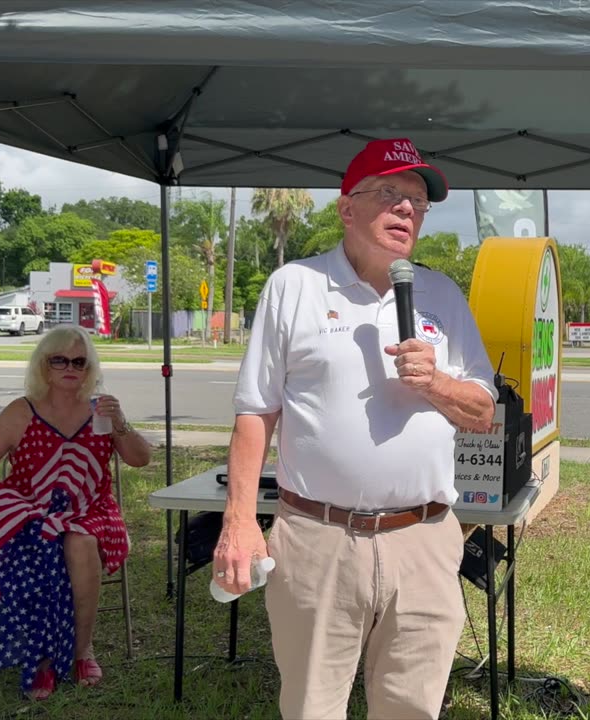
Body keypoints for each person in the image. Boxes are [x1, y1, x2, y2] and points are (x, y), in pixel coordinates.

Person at [213, 137, 497, 720]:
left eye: (418, 202)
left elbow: (483, 411)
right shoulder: (294, 286)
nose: (407, 211)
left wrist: (435, 383)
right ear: (347, 208)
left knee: (412, 709)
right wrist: (239, 521)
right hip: (318, 539)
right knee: (312, 707)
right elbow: (255, 411)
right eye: (391, 194)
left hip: (425, 539)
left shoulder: (441, 294)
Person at [0, 324, 151, 700]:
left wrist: (120, 423)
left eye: (79, 361)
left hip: (92, 509)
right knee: (42, 539)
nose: (70, 367)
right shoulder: (21, 411)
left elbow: (140, 460)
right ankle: (42, 657)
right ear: (44, 366)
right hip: (30, 512)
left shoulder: (100, 409)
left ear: (89, 368)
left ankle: (79, 651)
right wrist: (0, 501)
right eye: (60, 360)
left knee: (79, 540)